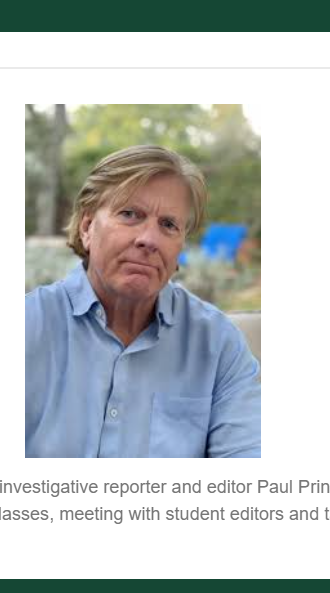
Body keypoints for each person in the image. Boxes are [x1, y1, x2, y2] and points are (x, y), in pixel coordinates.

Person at [25, 145, 260, 458]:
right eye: (130, 214)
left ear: (180, 246)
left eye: (168, 225)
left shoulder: (218, 345)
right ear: (87, 228)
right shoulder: (27, 327)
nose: (149, 239)